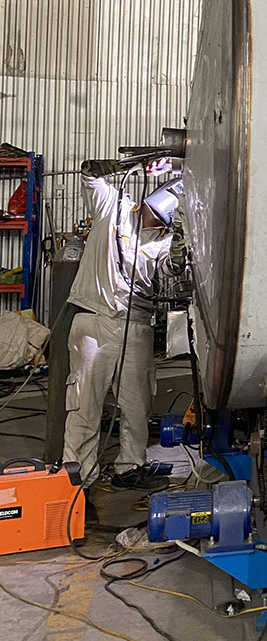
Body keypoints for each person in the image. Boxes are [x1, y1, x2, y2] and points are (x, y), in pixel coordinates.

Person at [62, 157, 178, 491]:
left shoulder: (164, 241)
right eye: (149, 213)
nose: (149, 221)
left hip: (136, 324)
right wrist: (130, 164)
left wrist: (181, 250)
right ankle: (77, 480)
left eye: (157, 220)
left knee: (137, 405)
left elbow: (169, 271)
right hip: (94, 320)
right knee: (84, 405)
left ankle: (130, 467)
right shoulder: (113, 207)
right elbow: (89, 173)